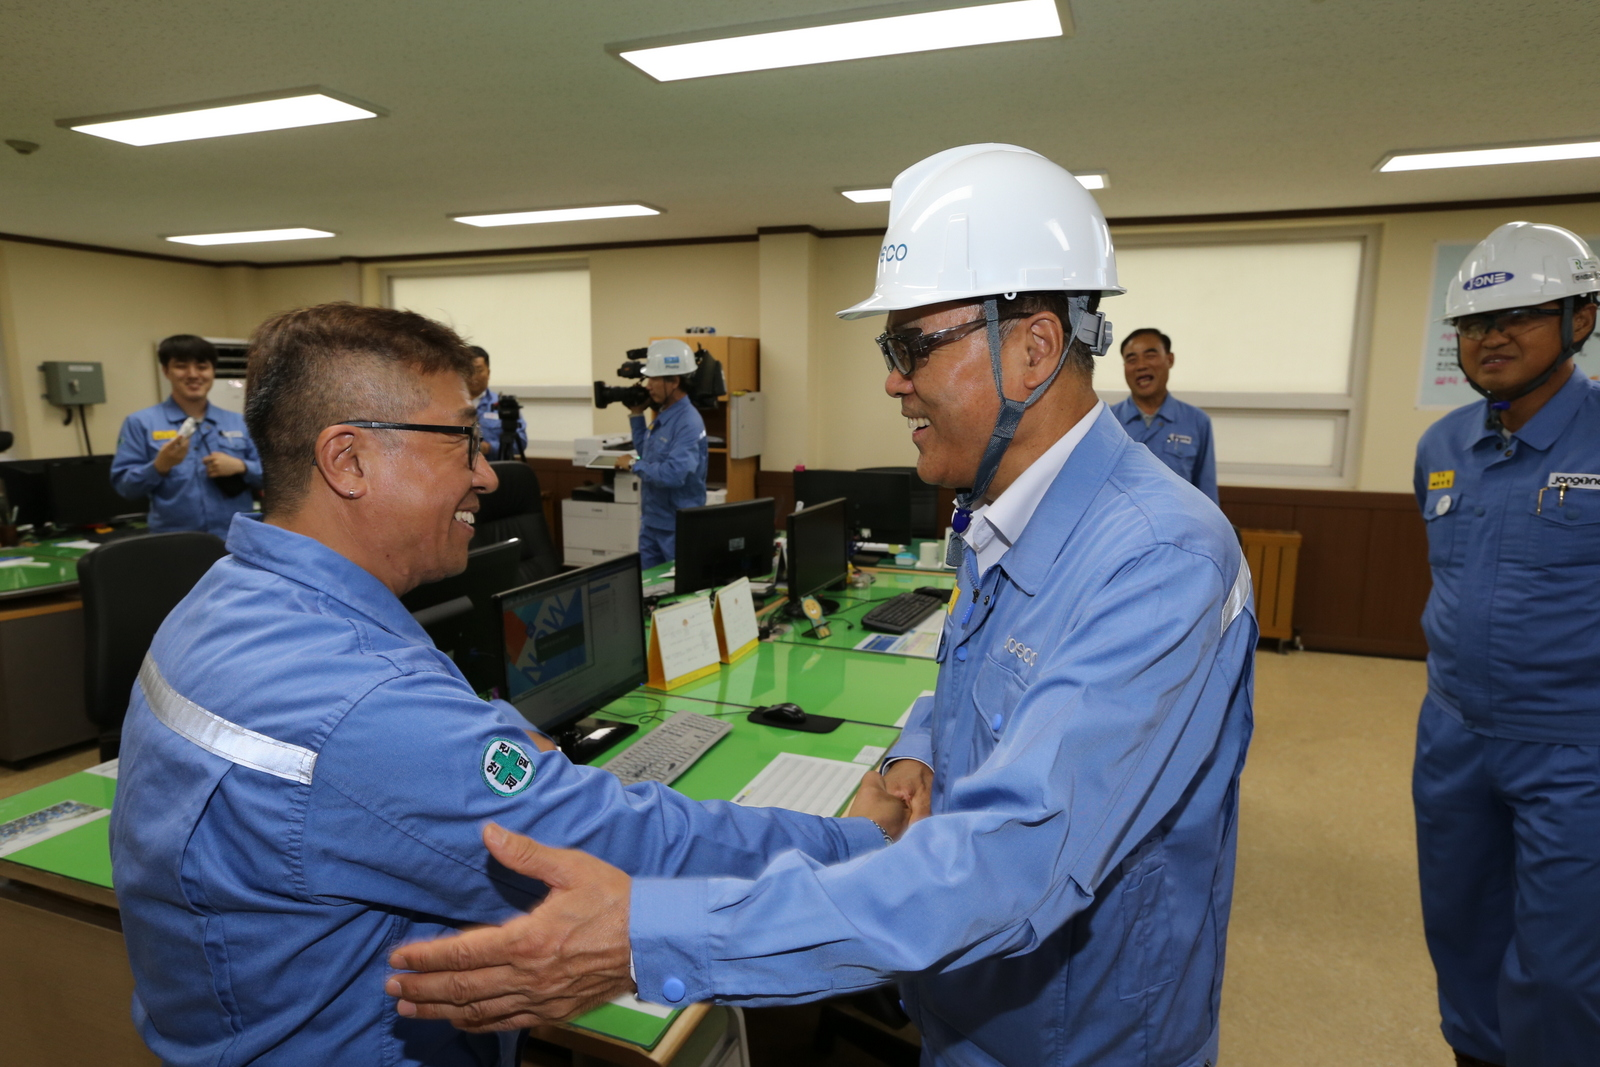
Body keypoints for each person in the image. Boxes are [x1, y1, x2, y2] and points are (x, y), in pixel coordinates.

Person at [386, 145, 1257, 1067]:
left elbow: (1008, 867)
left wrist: (646, 937)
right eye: (893, 350)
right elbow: (992, 670)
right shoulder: (1005, 505)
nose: (892, 379)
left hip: (1079, 1039)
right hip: (967, 1006)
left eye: (914, 346)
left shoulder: (1159, 557)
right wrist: (925, 744)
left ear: (1034, 348)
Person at [109, 302, 908, 1067]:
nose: (488, 476)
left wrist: (474, 736)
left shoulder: (229, 597)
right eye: (463, 442)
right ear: (347, 459)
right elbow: (622, 844)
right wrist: (861, 842)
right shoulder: (360, 703)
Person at [1410, 221, 1600, 1067]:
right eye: (1476, 323)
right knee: (1460, 932)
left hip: (1575, 745)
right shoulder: (1442, 448)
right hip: (1453, 738)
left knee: (1563, 969)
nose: (1492, 338)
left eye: (1524, 314)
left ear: (1581, 321)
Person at [110, 334, 261, 537]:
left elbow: (277, 478)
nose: (193, 374)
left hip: (235, 539)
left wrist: (242, 467)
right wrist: (159, 466)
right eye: (181, 366)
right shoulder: (140, 423)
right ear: (166, 371)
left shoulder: (239, 422)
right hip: (175, 542)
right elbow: (125, 487)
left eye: (202, 367)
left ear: (212, 371)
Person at [613, 339, 707, 567]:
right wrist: (636, 416)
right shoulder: (665, 415)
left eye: (653, 379)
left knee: (676, 597)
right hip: (652, 523)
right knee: (647, 592)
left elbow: (673, 474)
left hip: (676, 528)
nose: (648, 386)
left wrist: (634, 465)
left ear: (674, 381)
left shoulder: (688, 422)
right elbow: (647, 453)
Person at [1110, 328, 1219, 503]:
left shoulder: (1197, 421)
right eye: (1131, 359)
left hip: (1179, 526)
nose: (1141, 365)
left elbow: (1207, 494)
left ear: (1170, 359)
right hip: (1123, 526)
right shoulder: (1108, 422)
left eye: (1150, 355)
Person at [466, 345, 527, 460]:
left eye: (479, 370)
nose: (473, 376)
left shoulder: (503, 404)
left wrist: (488, 447)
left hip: (495, 469)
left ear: (488, 372)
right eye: (469, 371)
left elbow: (521, 442)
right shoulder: (450, 404)